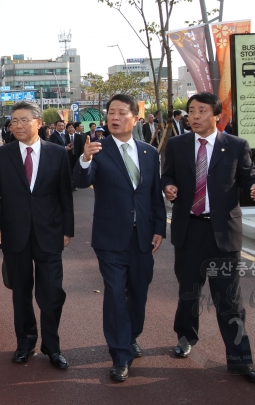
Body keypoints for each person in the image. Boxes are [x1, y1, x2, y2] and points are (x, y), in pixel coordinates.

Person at [161, 92, 255, 384]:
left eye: (201, 111)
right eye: (191, 111)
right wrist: (168, 186)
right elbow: (166, 175)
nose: (194, 116)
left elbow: (248, 175)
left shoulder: (235, 145)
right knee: (189, 290)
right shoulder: (177, 144)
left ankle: (240, 359)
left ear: (217, 115)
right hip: (189, 229)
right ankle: (185, 336)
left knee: (229, 299)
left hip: (223, 232)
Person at [73, 94, 166, 382]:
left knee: (138, 293)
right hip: (110, 238)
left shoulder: (149, 153)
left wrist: (159, 229)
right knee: (114, 294)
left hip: (143, 238)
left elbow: (154, 196)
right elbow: (80, 181)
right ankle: (120, 354)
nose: (114, 117)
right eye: (110, 112)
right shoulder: (99, 150)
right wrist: (85, 159)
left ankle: (130, 334)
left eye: (121, 112)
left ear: (135, 118)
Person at [0, 100, 74, 368]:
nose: (18, 125)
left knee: (52, 293)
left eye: (24, 120)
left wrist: (67, 229)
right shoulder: (2, 155)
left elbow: (64, 195)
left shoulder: (57, 153)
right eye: (14, 121)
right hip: (15, 235)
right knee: (21, 292)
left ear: (38, 123)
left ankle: (52, 345)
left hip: (50, 233)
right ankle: (25, 343)